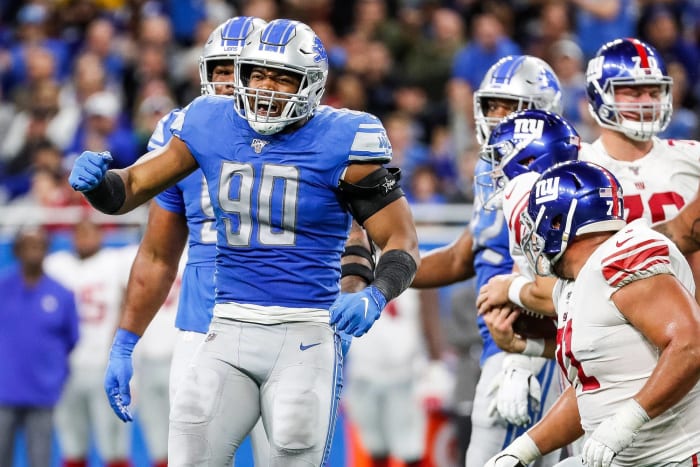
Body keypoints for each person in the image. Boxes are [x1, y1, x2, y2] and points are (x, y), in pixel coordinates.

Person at [69, 18, 420, 467]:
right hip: (225, 323)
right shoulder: (209, 121)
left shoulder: (345, 137)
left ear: (310, 85)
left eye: (282, 77)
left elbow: (400, 239)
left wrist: (375, 292)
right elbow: (133, 185)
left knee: (291, 447)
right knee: (190, 452)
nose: (266, 89)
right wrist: (101, 185)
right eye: (257, 74)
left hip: (304, 330)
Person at [485, 160, 700, 467]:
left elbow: (691, 345)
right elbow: (591, 391)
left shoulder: (623, 255)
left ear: (558, 222)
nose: (534, 239)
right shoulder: (572, 284)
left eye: (537, 224)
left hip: (676, 457)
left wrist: (628, 419)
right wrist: (522, 451)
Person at [478, 37, 700, 332]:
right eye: (631, 92)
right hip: (609, 329)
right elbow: (546, 281)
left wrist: (511, 288)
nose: (646, 101)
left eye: (653, 90)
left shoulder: (692, 156)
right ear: (599, 94)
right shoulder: (570, 168)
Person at [411, 55, 566, 467]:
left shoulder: (557, 173)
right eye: (492, 105)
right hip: (499, 343)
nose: (498, 118)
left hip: (532, 346)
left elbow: (569, 282)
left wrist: (523, 357)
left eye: (511, 107)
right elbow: (469, 252)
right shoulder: (491, 167)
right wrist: (385, 272)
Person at [43, 218, 135, 467]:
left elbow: (129, 300)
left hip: (103, 365)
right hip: (67, 367)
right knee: (72, 443)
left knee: (113, 445)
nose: (84, 238)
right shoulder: (57, 265)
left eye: (89, 232)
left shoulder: (114, 261)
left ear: (101, 235)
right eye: (79, 233)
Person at [0, 226, 79, 467]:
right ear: (17, 251)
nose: (33, 250)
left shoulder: (62, 293)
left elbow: (72, 338)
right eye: (28, 245)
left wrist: (53, 374)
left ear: (47, 250)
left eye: (39, 245)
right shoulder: (2, 288)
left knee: (40, 460)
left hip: (42, 392)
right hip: (3, 393)